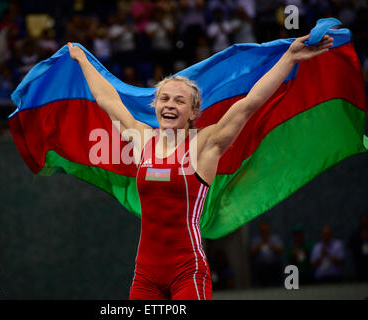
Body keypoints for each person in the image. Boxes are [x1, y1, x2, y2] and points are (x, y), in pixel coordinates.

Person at [67, 32, 333, 299]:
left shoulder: (205, 144)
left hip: (187, 272)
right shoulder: (142, 138)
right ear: (155, 105)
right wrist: (81, 59)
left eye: (179, 101)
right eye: (164, 99)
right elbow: (109, 101)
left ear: (193, 112)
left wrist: (289, 57)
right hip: (145, 274)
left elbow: (249, 104)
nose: (170, 105)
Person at [249, 221, 284, 287]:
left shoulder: (275, 238)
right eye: (263, 231)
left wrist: (273, 247)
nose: (264, 232)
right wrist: (259, 245)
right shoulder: (256, 240)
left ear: (269, 230)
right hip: (261, 268)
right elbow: (251, 252)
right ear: (260, 231)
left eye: (266, 230)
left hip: (274, 266)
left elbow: (281, 250)